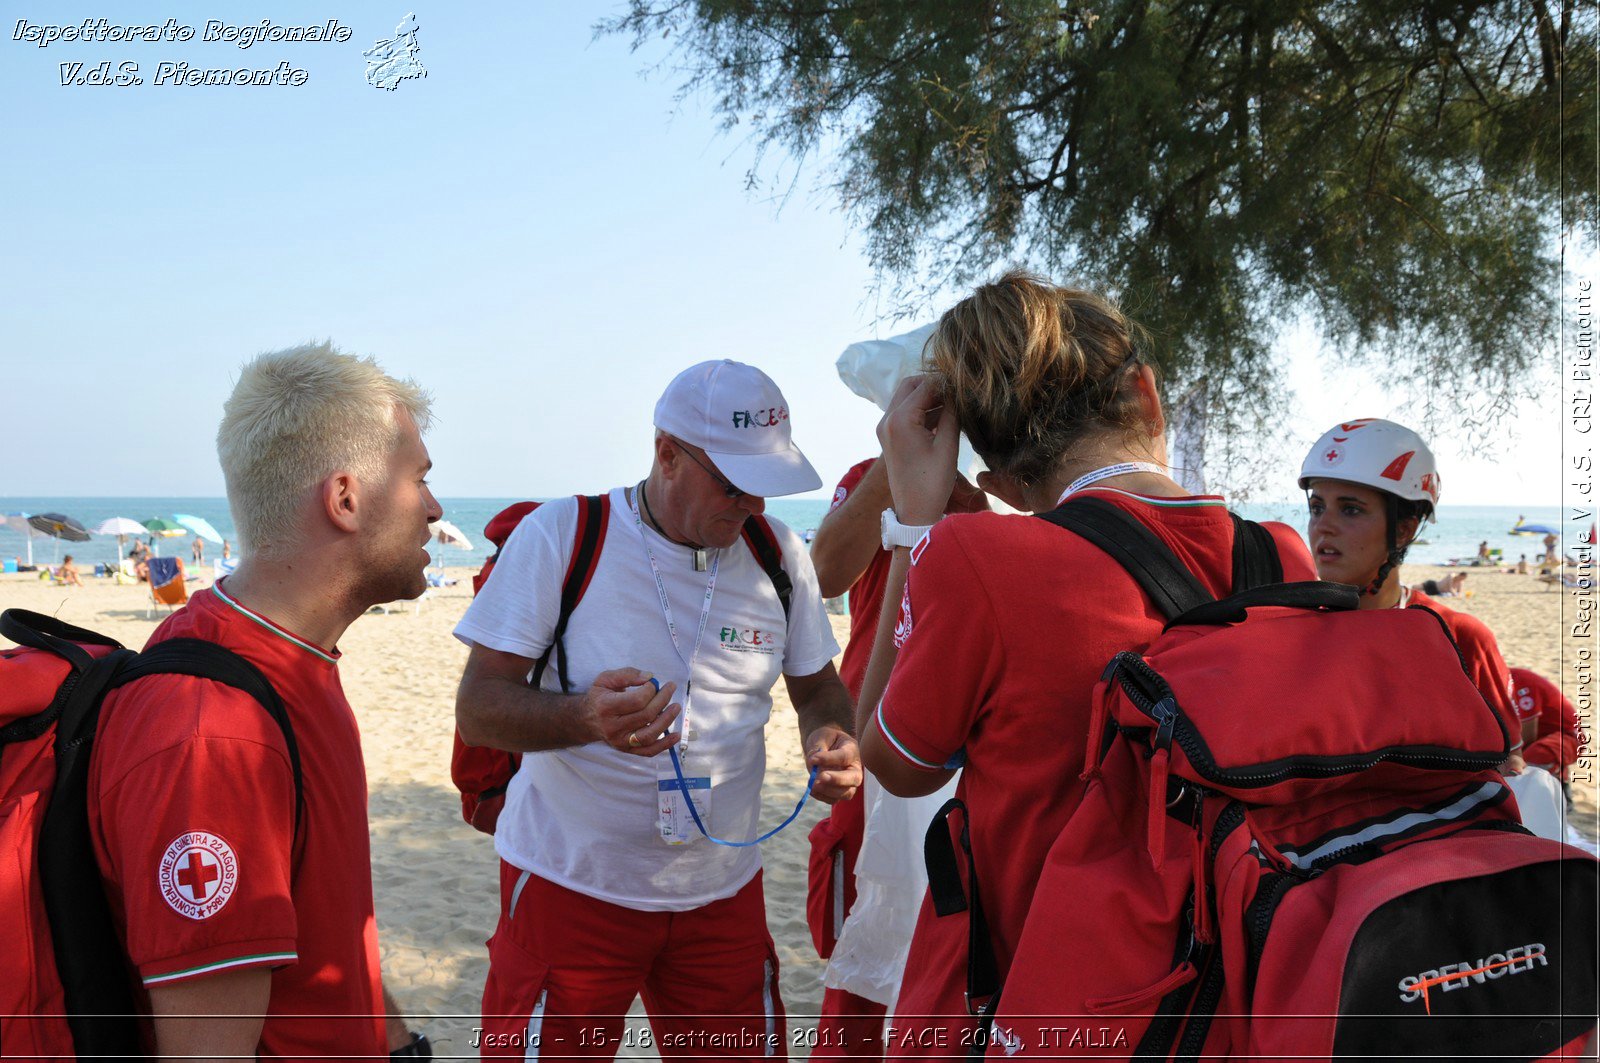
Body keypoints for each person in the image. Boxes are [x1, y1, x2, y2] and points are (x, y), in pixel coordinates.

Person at [855, 270, 1316, 1051]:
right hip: (1221, 999)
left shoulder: (977, 557)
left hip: (1043, 999)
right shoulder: (1278, 553)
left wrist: (914, 524)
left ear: (1000, 481)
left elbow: (891, 759)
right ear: (1147, 393)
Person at [454, 359, 862, 1060]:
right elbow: (479, 708)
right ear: (666, 453)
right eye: (734, 485)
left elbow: (817, 687)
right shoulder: (564, 535)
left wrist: (832, 736)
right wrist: (583, 718)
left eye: (765, 488)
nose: (753, 507)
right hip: (570, 883)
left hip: (721, 891)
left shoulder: (776, 552)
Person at [88, 342, 439, 1058]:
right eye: (420, 479)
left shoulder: (292, 663)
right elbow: (203, 1048)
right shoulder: (213, 736)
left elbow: (317, 923)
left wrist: (397, 1039)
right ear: (346, 498)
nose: (434, 508)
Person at [806, 457, 988, 1057]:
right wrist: (899, 461)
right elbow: (825, 574)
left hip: (985, 744)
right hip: (876, 741)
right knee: (869, 923)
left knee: (972, 934)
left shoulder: (1027, 473)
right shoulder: (876, 474)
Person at [1299, 419, 1525, 775]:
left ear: (1403, 529)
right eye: (1316, 507)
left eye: (1350, 509)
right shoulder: (1291, 629)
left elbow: (1508, 762)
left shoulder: (1461, 637)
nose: (1323, 525)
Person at [1510, 667, 1582, 806]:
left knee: (1531, 758)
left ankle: (1552, 796)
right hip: (1545, 736)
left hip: (1567, 736)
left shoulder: (1520, 682)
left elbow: (1528, 734)